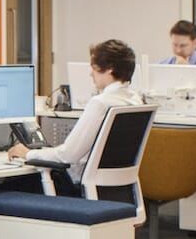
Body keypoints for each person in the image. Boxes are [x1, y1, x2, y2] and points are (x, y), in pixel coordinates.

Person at [10, 38, 144, 196]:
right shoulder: (135, 100)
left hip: (77, 188)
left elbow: (67, 155)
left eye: (94, 68)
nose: (90, 73)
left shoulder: (101, 103)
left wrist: (27, 153)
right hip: (118, 191)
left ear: (109, 69)